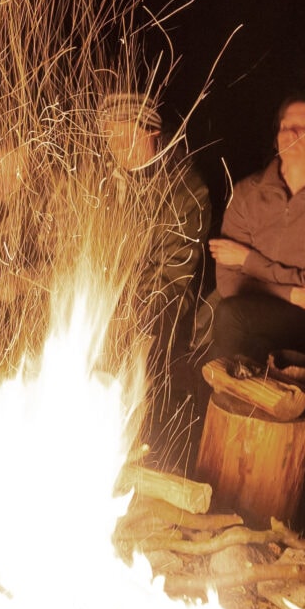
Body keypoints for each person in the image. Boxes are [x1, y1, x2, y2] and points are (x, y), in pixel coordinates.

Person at [205, 92, 305, 369]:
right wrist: (292, 293)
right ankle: (221, 405)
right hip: (250, 309)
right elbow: (230, 283)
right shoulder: (247, 193)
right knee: (243, 330)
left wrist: (247, 260)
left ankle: (218, 396)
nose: (293, 133)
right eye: (285, 126)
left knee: (232, 317)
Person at [99, 90, 212, 442]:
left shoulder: (186, 189)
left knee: (134, 338)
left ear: (152, 133)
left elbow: (172, 274)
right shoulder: (102, 185)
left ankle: (143, 444)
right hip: (107, 297)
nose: (117, 145)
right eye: (110, 136)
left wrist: (126, 307)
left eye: (126, 133)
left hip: (163, 304)